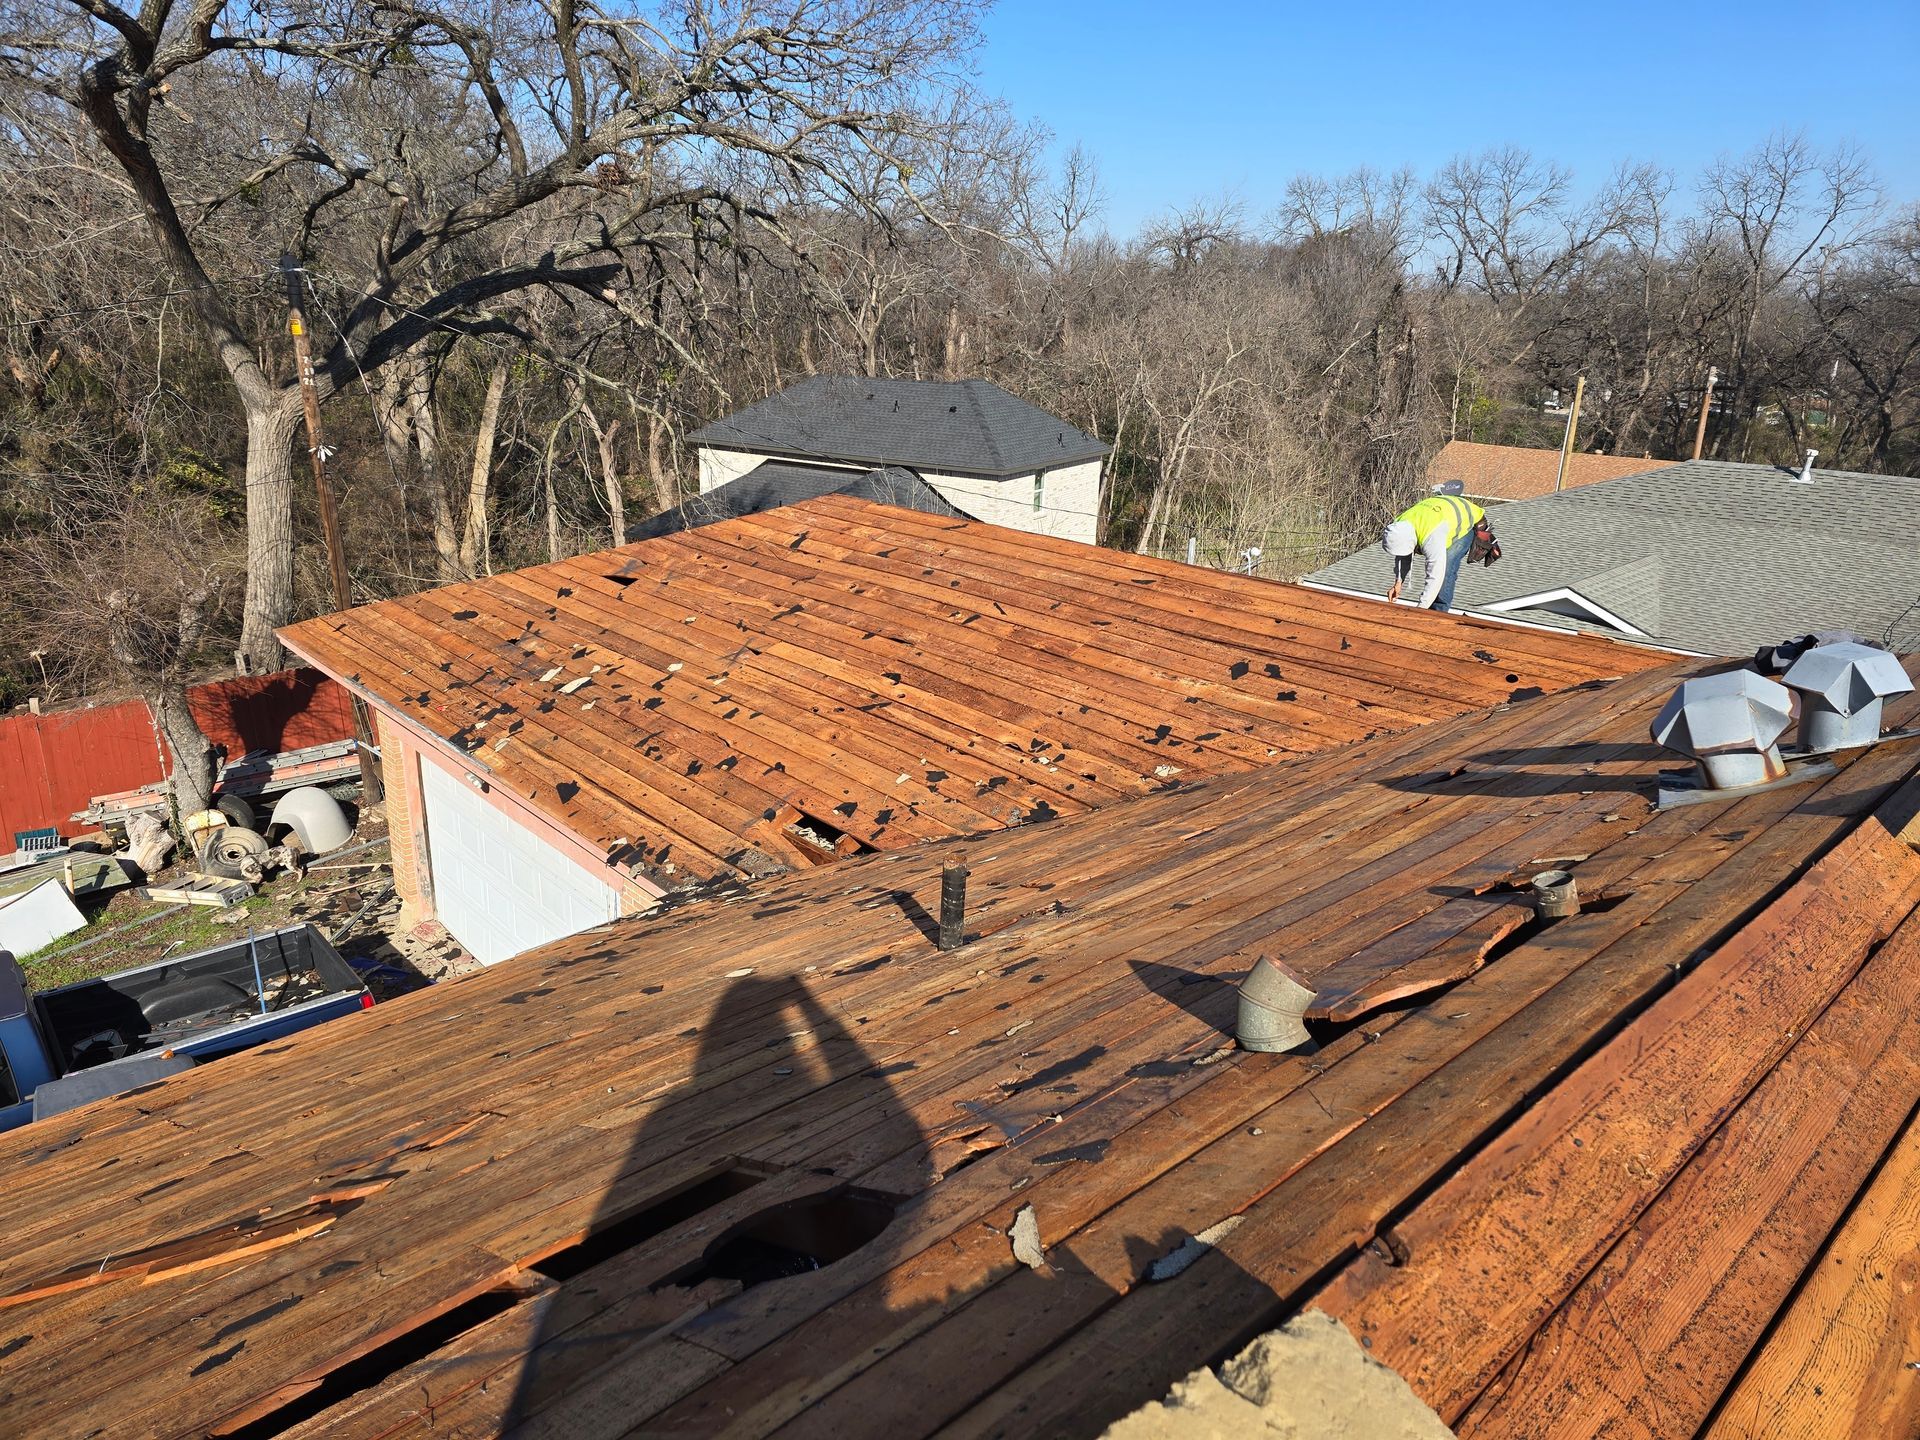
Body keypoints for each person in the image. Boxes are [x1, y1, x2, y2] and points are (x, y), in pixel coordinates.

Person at [1382, 491, 1487, 610]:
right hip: (1442, 510)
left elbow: (1435, 575)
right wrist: (1398, 582)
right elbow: (1403, 554)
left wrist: (1421, 609)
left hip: (1466, 517)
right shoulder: (1400, 526)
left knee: (1446, 569)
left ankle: (1439, 612)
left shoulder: (1432, 535)